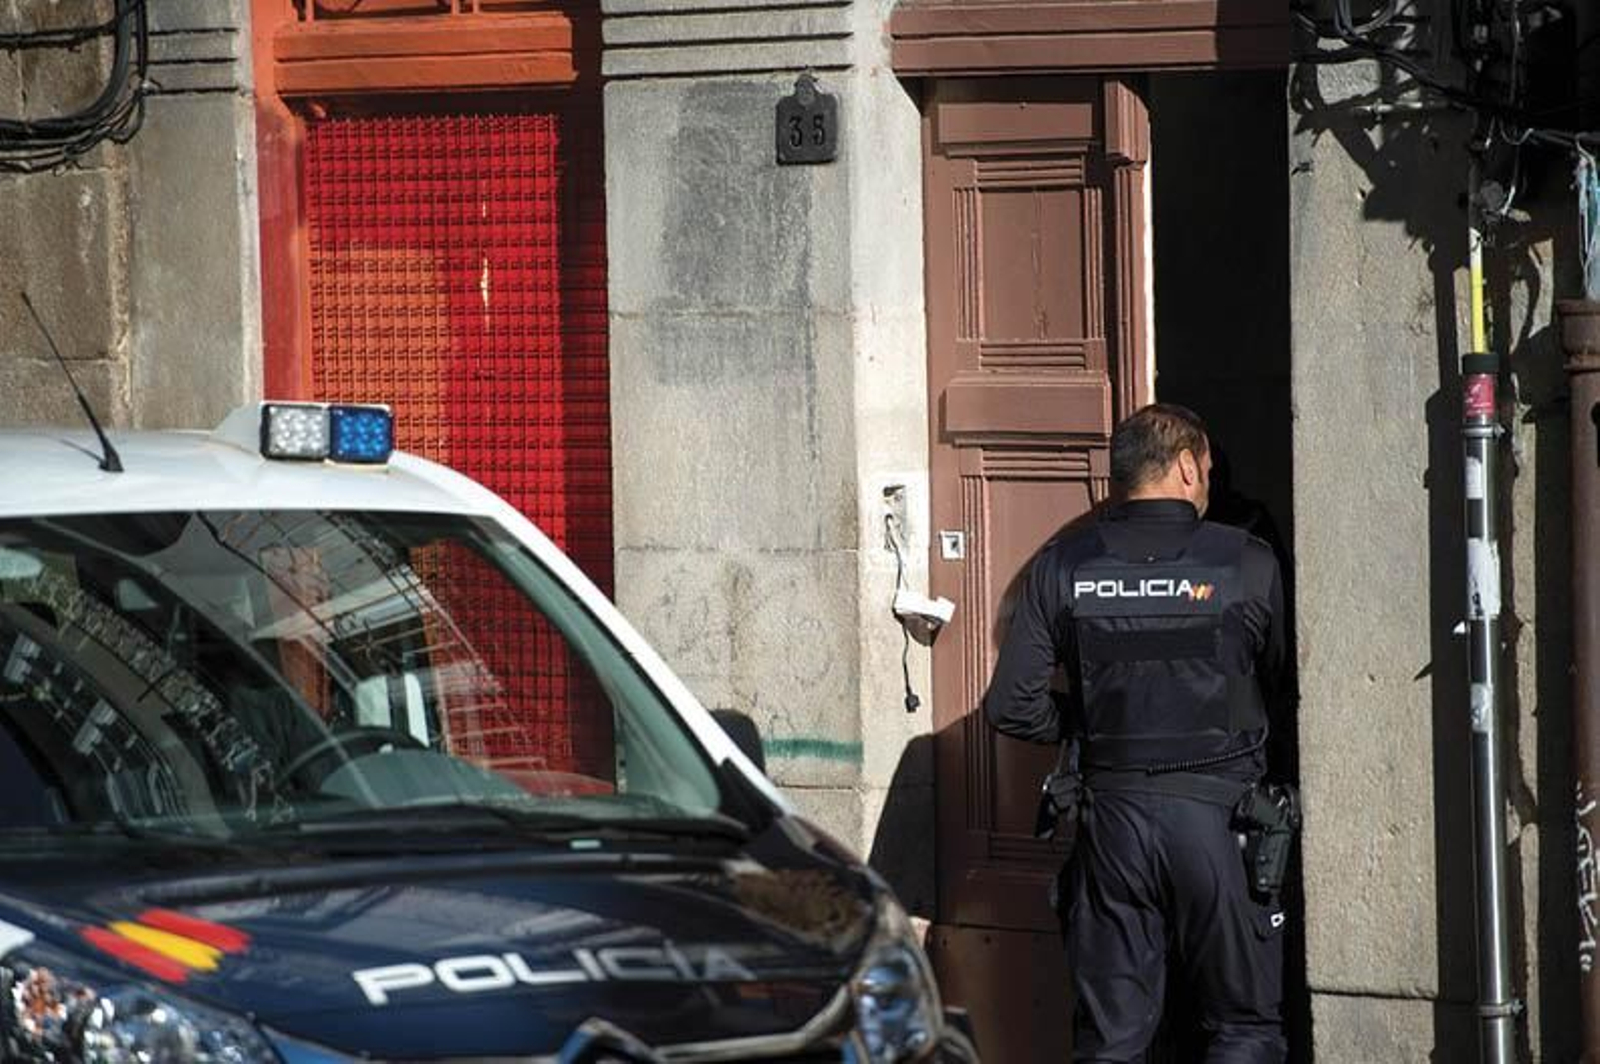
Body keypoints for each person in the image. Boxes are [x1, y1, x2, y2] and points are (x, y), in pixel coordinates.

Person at [983, 403, 1291, 1063]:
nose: (1208, 480)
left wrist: (1088, 723)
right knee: (1244, 1029)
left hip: (1112, 822)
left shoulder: (1061, 566)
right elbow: (1279, 684)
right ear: (1186, 466)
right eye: (1206, 468)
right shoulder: (1248, 562)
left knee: (1113, 1041)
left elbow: (1011, 705)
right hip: (1223, 821)